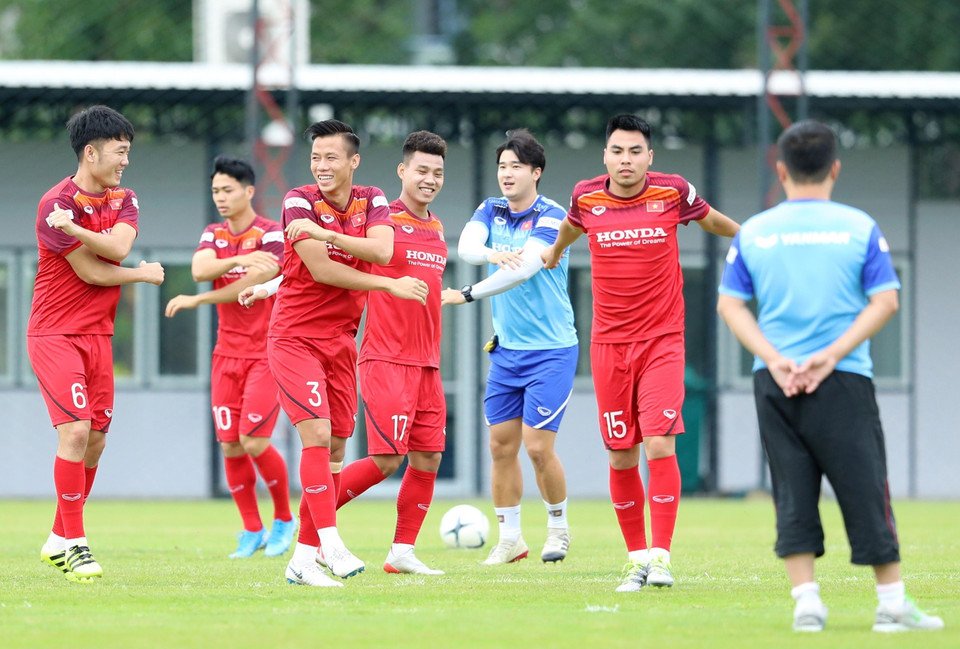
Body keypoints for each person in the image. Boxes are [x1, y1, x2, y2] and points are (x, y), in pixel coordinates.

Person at [717, 120, 944, 633]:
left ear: (781, 170)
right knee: (866, 488)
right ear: (835, 168)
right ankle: (891, 605)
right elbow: (885, 301)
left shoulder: (754, 231)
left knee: (790, 487)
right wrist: (830, 354)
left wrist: (775, 359)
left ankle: (807, 603)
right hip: (842, 378)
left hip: (774, 382)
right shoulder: (859, 227)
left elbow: (730, 305)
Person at [541, 114, 739, 591]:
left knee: (659, 444)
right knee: (621, 456)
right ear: (605, 156)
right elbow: (572, 227)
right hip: (609, 346)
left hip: (663, 341)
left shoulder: (672, 192)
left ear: (649, 157)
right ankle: (635, 560)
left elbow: (709, 219)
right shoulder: (587, 196)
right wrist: (551, 253)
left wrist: (752, 239)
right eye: (617, 151)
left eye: (635, 152)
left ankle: (661, 557)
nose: (625, 160)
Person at [244, 119, 428, 588]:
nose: (321, 166)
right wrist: (387, 284)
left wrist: (327, 234)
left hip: (342, 341)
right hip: (294, 337)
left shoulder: (372, 199)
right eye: (315, 158)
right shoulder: (297, 200)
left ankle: (303, 558)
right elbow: (323, 272)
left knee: (338, 449)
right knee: (318, 434)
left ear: (353, 161)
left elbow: (383, 249)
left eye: (331, 157)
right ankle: (331, 540)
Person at [31, 105, 165, 582]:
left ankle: (55, 537)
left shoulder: (124, 198)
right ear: (92, 152)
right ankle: (77, 544)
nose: (125, 161)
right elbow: (91, 269)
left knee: (97, 440)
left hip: (98, 336)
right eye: (120, 151)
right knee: (75, 432)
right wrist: (143, 276)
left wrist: (80, 230)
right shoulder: (55, 204)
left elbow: (118, 247)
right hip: (54, 333)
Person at [442, 129, 577, 565]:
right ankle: (511, 539)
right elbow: (465, 247)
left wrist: (467, 294)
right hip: (507, 352)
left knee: (538, 448)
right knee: (501, 446)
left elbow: (525, 270)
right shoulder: (491, 209)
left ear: (536, 172)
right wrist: (489, 255)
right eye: (502, 165)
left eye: (516, 166)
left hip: (552, 350)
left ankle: (558, 529)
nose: (507, 173)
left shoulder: (553, 215)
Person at [164, 155, 295, 559]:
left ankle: (285, 519)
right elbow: (201, 268)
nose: (220, 198)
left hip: (265, 353)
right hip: (226, 355)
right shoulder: (214, 233)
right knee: (230, 445)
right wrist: (236, 259)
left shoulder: (273, 233)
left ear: (249, 191)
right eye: (216, 190)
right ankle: (251, 530)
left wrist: (200, 298)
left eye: (228, 190)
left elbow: (258, 279)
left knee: (253, 441)